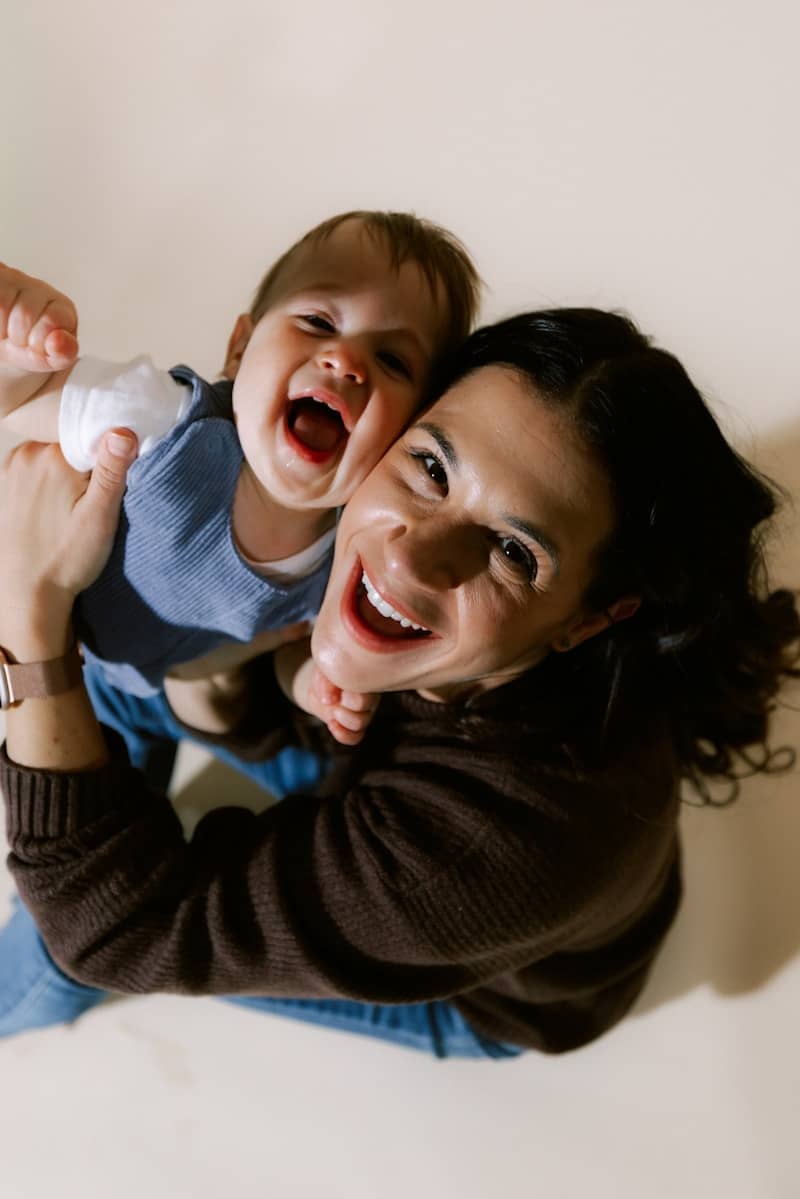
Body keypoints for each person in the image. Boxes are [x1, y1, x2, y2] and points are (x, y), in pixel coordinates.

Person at [1, 309, 797, 1059]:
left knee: (66, 939)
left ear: (587, 620)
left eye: (515, 552)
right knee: (124, 680)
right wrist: (211, 686)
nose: (411, 557)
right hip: (375, 772)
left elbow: (118, 933)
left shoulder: (490, 851)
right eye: (429, 465)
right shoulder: (371, 502)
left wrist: (29, 617)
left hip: (486, 988)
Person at [0, 212, 480, 757]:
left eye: (392, 359)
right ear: (240, 348)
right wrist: (20, 346)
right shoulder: (163, 422)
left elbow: (295, 650)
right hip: (65, 658)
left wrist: (315, 688)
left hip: (166, 688)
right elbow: (18, 400)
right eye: (319, 323)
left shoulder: (356, 547)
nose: (345, 361)